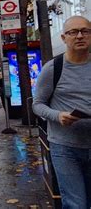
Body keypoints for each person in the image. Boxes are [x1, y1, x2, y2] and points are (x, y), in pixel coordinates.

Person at [32, 15, 91, 208]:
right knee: (76, 204)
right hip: (65, 148)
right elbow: (37, 104)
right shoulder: (53, 68)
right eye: (73, 32)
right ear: (64, 38)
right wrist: (58, 116)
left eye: (85, 31)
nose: (80, 36)